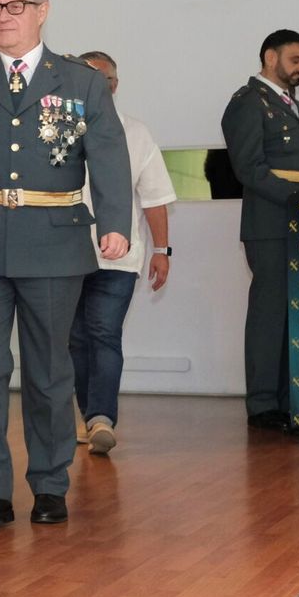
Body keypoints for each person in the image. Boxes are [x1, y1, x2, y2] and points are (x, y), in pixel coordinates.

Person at [0, 0, 132, 537]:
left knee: (49, 371)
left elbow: (109, 156)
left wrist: (115, 224)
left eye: (15, 6)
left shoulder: (81, 82)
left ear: (42, 11)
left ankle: (49, 484)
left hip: (53, 243)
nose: (3, 17)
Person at [220, 29, 299, 430]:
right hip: (273, 224)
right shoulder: (248, 103)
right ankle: (262, 404)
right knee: (270, 312)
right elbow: (250, 169)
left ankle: (290, 399)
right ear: (270, 57)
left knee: (298, 313)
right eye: (295, 59)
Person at [68, 51, 177, 455]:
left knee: (103, 333)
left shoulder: (136, 133)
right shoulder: (56, 129)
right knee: (75, 339)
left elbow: (155, 198)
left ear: (115, 85)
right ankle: (88, 415)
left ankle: (101, 418)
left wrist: (162, 250)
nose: (97, 85)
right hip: (63, 256)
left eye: (104, 79)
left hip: (118, 256)